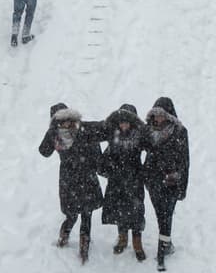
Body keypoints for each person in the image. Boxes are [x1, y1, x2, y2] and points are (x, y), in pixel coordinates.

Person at [39, 104, 106, 264]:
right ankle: (74, 238)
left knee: (80, 213)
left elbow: (44, 151)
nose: (65, 123)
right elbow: (44, 151)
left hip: (78, 177)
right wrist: (51, 132)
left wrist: (97, 164)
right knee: (78, 213)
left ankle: (75, 240)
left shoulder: (73, 131)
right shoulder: (63, 133)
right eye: (61, 120)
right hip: (77, 177)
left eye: (66, 120)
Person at [98, 104, 148, 262]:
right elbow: (104, 160)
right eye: (121, 121)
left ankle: (137, 242)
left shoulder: (140, 137)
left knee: (137, 211)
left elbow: (153, 151)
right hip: (117, 181)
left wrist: (144, 173)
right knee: (120, 210)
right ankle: (122, 238)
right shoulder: (114, 137)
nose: (124, 124)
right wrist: (109, 169)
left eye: (127, 121)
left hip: (134, 180)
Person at [143, 97, 188, 271]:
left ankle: (162, 251)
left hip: (171, 180)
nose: (159, 118)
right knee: (160, 213)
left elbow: (185, 161)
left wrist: (182, 186)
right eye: (156, 115)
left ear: (169, 115)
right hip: (153, 180)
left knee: (166, 214)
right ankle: (166, 244)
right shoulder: (148, 130)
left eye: (162, 115)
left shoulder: (180, 132)